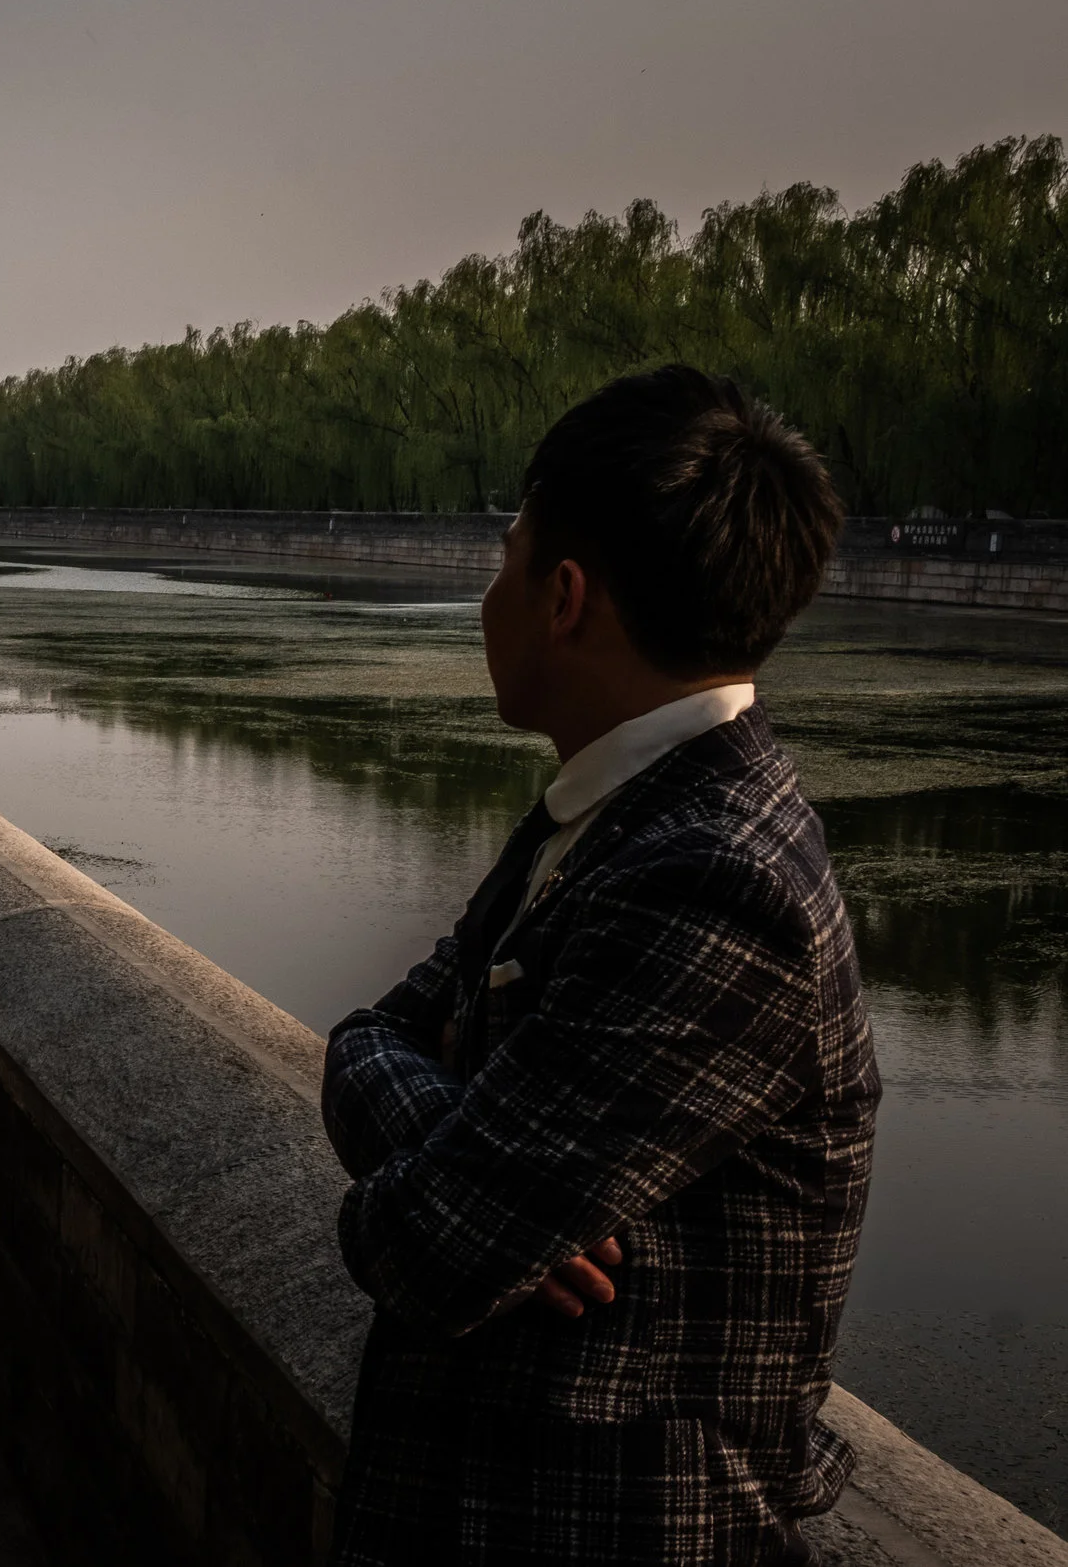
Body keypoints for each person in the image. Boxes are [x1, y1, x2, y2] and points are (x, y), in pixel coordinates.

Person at [319, 365, 876, 1565]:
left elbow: (428, 1243)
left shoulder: (713, 877)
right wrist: (469, 1134)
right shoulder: (621, 806)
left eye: (503, 554)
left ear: (563, 595)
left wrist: (449, 1176)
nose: (488, 591)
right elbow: (370, 1033)